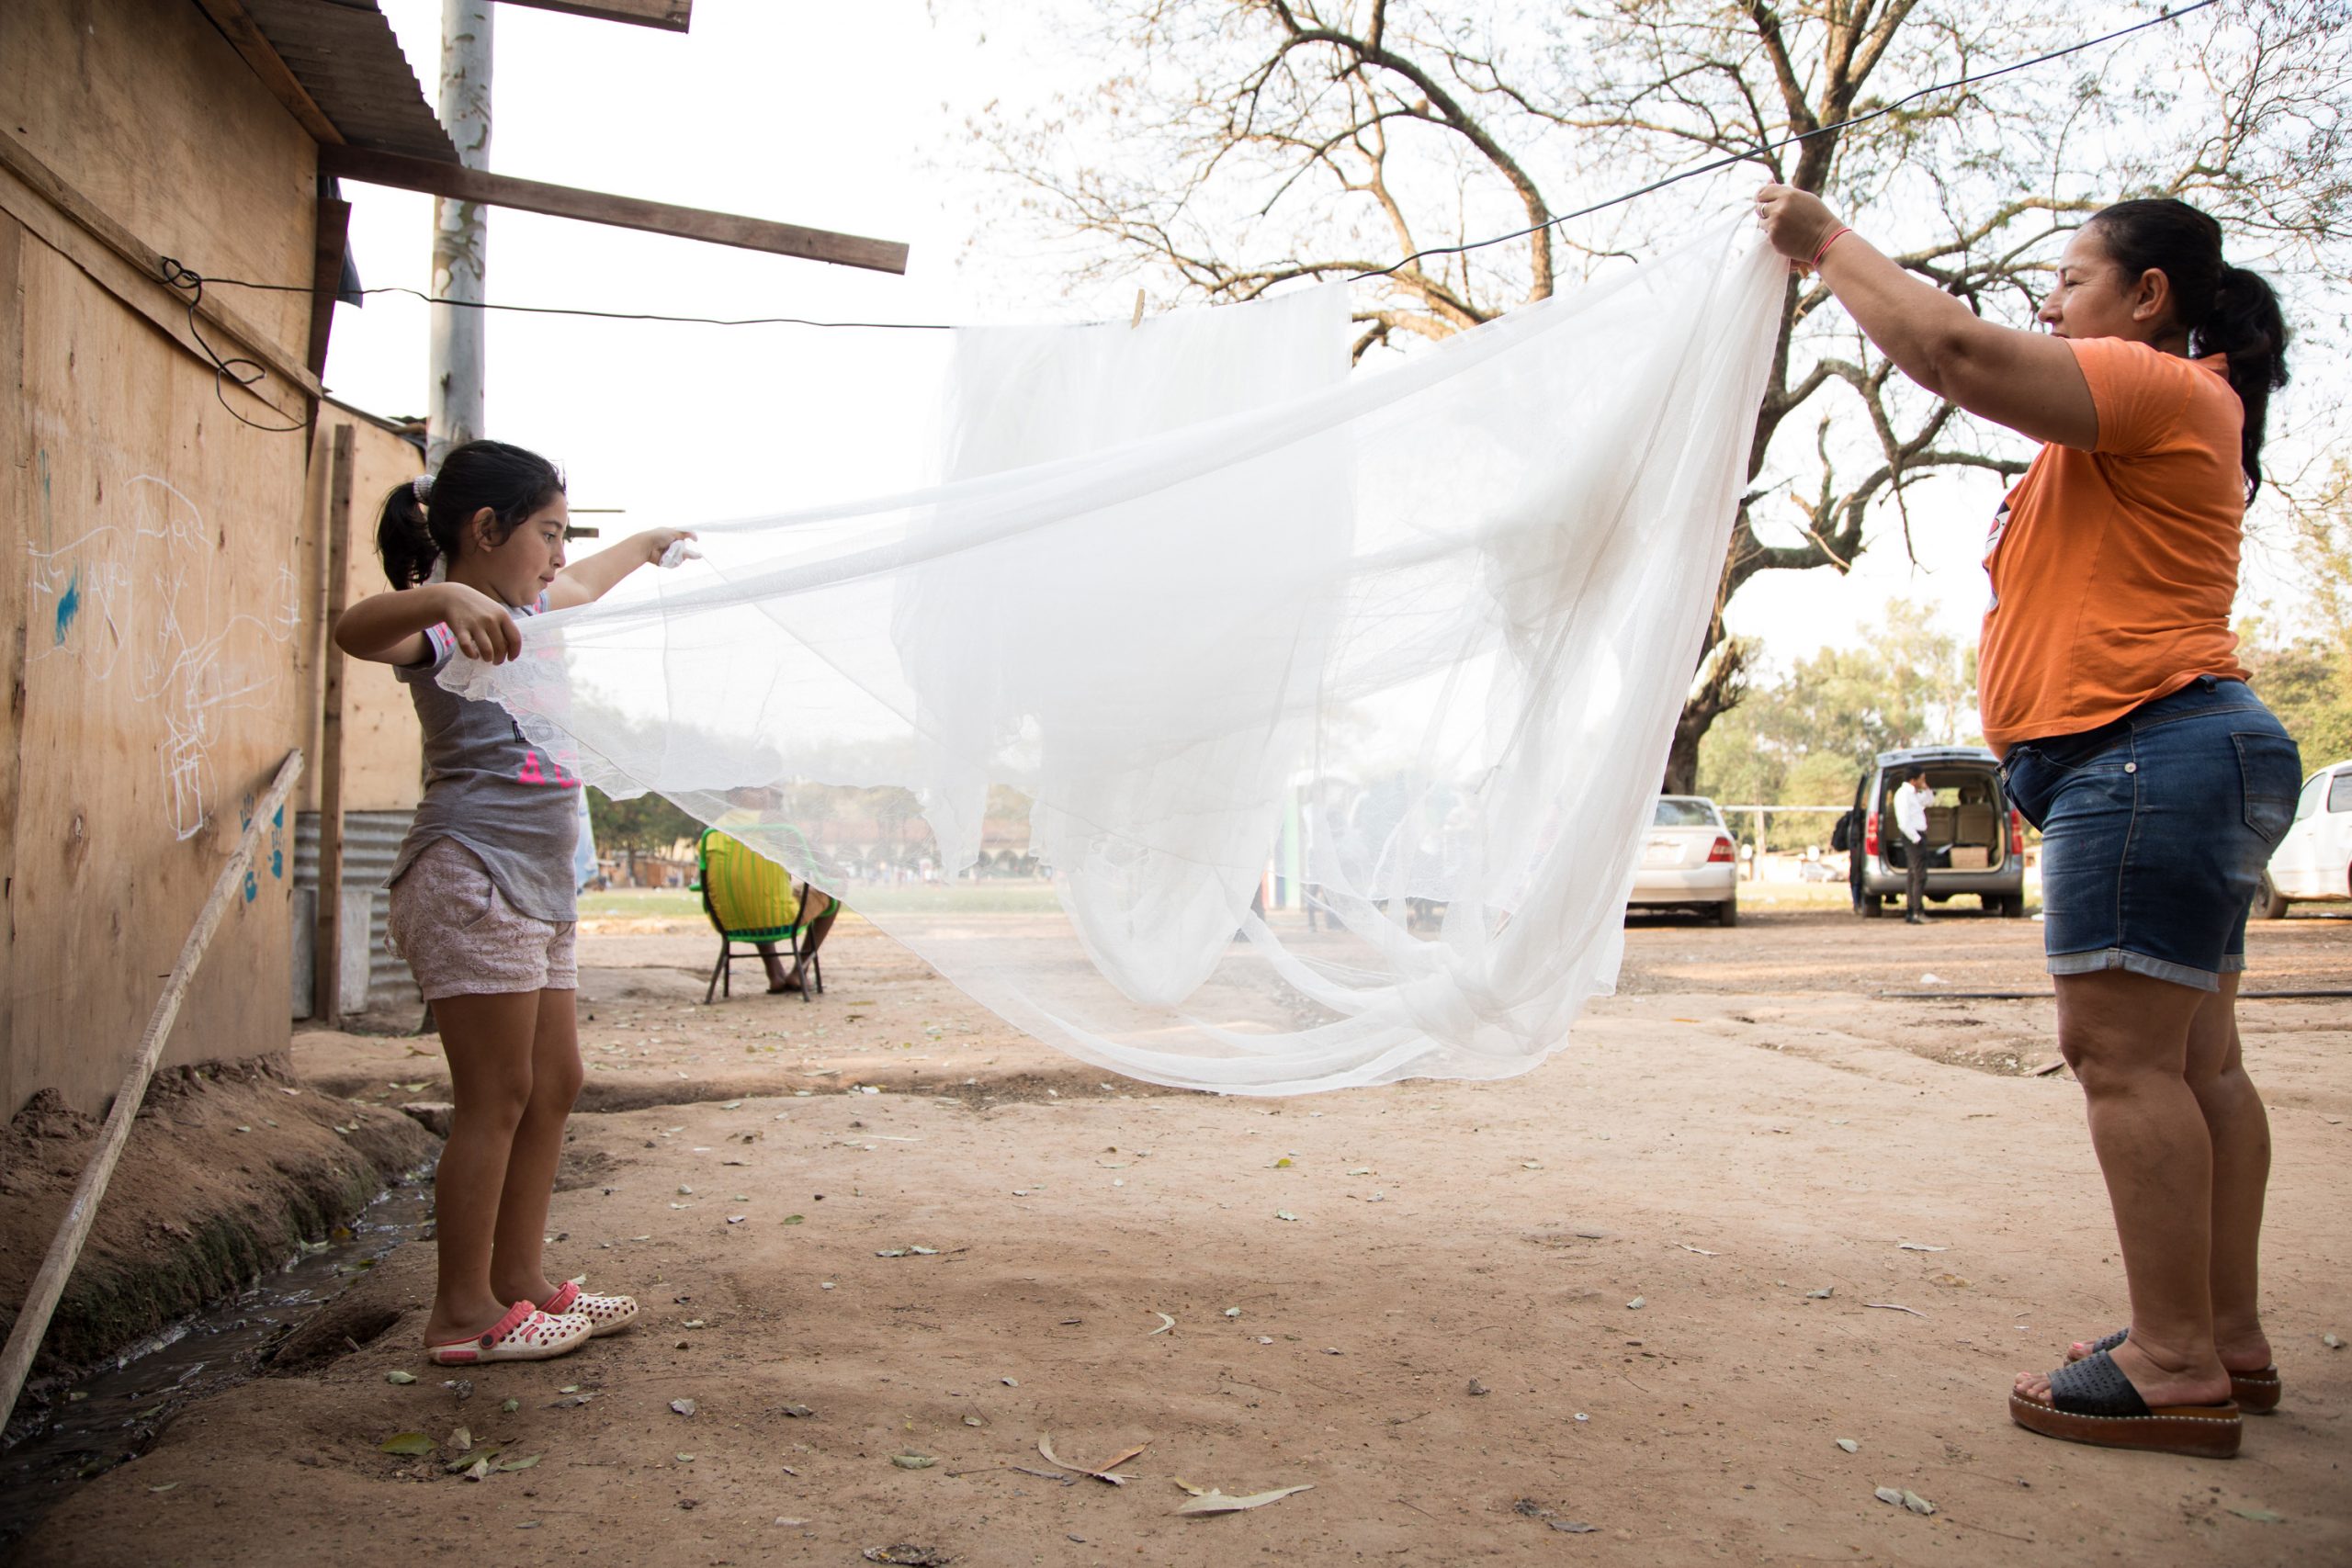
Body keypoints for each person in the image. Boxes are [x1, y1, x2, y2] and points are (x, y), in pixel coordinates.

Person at [1756, 188, 2299, 1459]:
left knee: (2124, 1058)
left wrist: (1827, 244)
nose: (2048, 303)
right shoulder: (2164, 412)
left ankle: (2171, 1361)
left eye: (2071, 278)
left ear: (2147, 297)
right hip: (2183, 749)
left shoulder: (2160, 386)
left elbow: (1954, 353)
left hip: (2147, 750)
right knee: (2197, 1060)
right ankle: (2225, 1337)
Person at [335, 439, 695, 1364]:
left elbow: (591, 582)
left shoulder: (531, 611)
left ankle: (520, 1282)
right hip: (471, 875)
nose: (560, 554)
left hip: (540, 887)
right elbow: (356, 630)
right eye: (546, 533)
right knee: (493, 1094)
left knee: (553, 1083)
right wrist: (446, 594)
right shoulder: (454, 627)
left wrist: (649, 541)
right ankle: (460, 1313)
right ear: (484, 529)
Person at [1894, 768, 1933, 923]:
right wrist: (1916, 838)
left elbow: (1929, 801)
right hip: (1913, 836)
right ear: (1913, 780)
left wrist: (1926, 789)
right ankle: (1917, 911)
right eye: (1922, 779)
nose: (1923, 782)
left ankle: (1911, 910)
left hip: (1917, 835)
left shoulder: (1914, 794)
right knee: (1919, 875)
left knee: (1912, 874)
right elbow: (1903, 821)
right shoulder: (1903, 795)